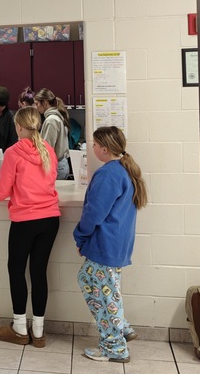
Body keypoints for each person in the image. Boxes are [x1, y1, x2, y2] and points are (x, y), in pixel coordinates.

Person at [0, 106, 61, 347]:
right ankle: (38, 331)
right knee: (39, 272)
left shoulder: (13, 152)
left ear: (18, 126)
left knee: (16, 270)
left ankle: (19, 327)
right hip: (50, 219)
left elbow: (2, 192)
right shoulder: (48, 149)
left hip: (25, 221)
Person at [74, 126, 148, 363]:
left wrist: (80, 237)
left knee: (105, 293)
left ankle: (114, 347)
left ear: (104, 148)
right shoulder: (123, 170)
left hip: (105, 244)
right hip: (118, 243)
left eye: (94, 145)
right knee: (100, 285)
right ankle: (122, 327)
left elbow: (93, 213)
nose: (92, 148)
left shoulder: (108, 174)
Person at [34, 88, 70, 179]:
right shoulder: (56, 116)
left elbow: (47, 147)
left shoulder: (51, 120)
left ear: (45, 103)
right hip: (61, 164)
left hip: (57, 166)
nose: (36, 107)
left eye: (37, 103)